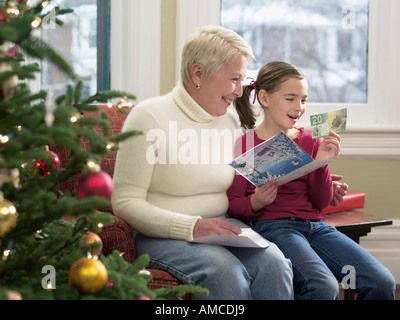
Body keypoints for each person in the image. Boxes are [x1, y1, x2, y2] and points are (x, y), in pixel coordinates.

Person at [111, 26, 294, 299]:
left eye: (242, 79)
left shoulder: (230, 120)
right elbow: (124, 203)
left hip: (222, 227)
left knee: (276, 264)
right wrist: (192, 227)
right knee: (225, 271)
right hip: (163, 235)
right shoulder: (148, 117)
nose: (238, 91)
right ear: (198, 73)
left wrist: (303, 171)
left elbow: (247, 179)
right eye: (233, 79)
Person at [227, 61, 396, 300]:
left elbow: (320, 201)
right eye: (291, 98)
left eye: (304, 100)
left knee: (381, 281)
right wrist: (255, 201)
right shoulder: (245, 143)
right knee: (322, 286)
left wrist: (322, 162)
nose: (299, 107)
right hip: (274, 227)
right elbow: (232, 203)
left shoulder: (311, 140)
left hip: (316, 226)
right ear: (264, 98)